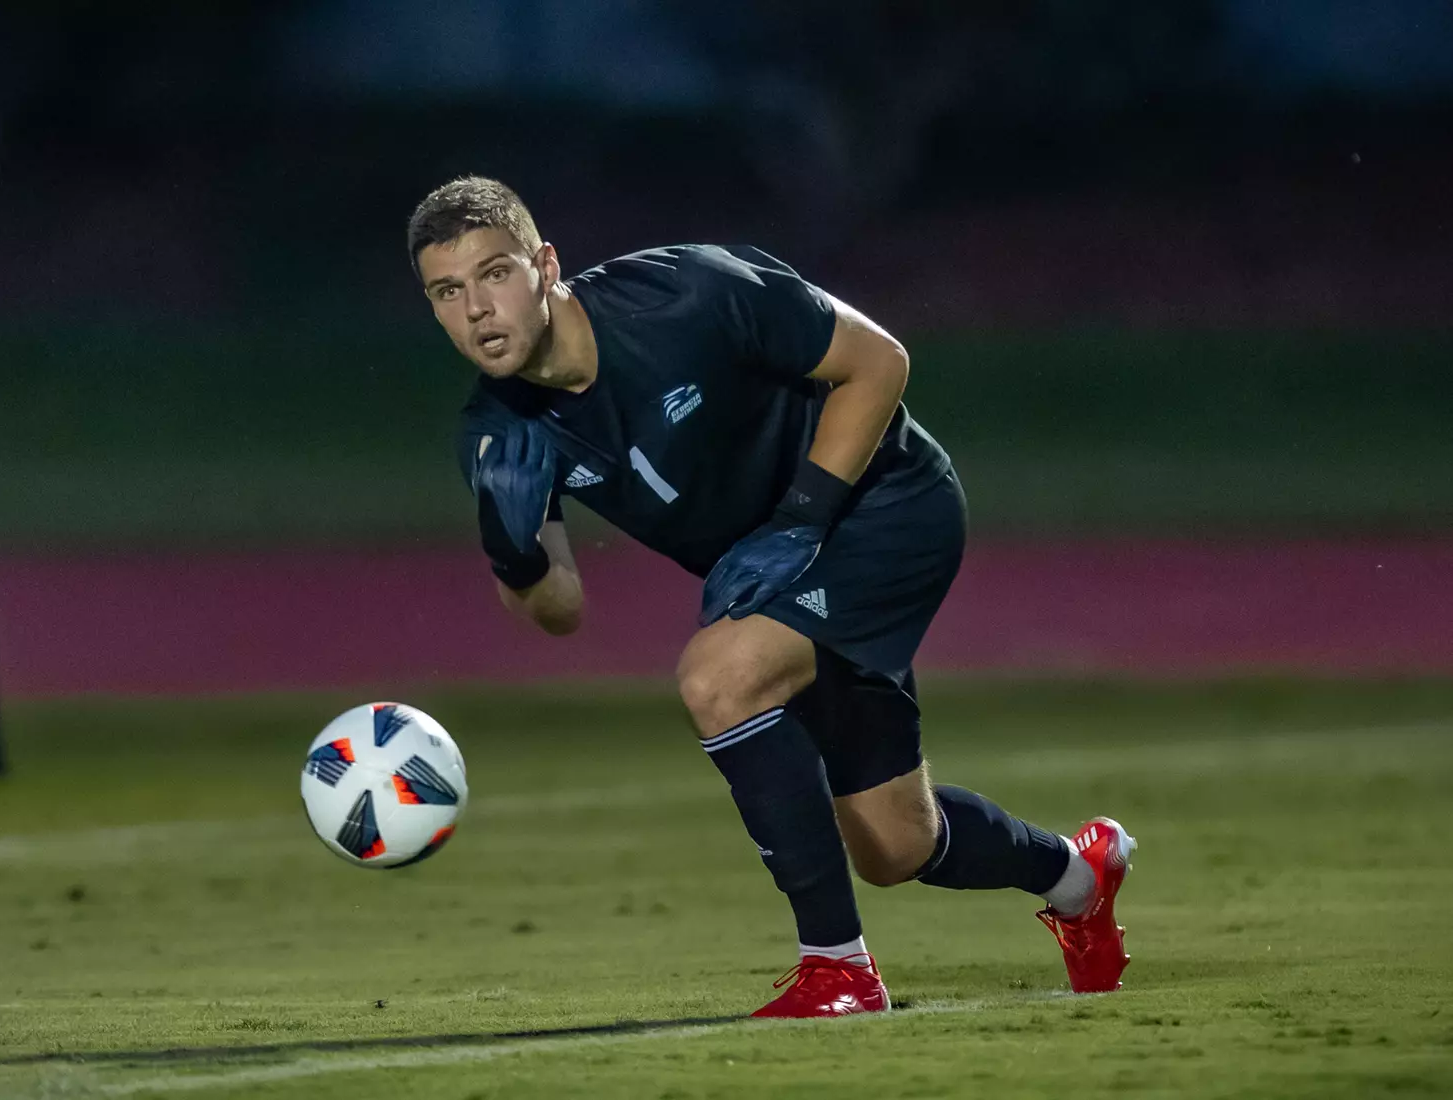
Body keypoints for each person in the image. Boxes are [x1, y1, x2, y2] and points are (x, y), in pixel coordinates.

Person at [409, 176, 1135, 1017]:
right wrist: (514, 550)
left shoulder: (689, 294)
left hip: (885, 507)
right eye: (448, 292)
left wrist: (799, 520)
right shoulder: (498, 433)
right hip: (786, 578)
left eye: (495, 274)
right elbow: (559, 608)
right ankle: (1080, 879)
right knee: (897, 843)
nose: (478, 310)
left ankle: (839, 971)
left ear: (545, 265)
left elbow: (879, 362)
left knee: (718, 679)